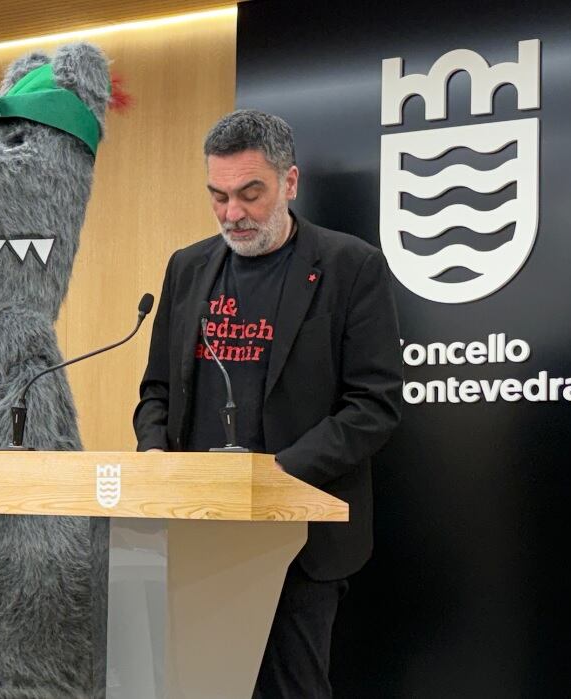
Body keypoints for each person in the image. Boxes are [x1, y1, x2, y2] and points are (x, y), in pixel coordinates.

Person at [132, 109, 403, 698]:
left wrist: (275, 477)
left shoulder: (350, 267)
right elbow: (157, 391)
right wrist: (152, 456)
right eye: (218, 196)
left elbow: (374, 405)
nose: (233, 213)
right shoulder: (188, 268)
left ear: (290, 182)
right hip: (196, 531)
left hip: (299, 541)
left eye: (250, 194)